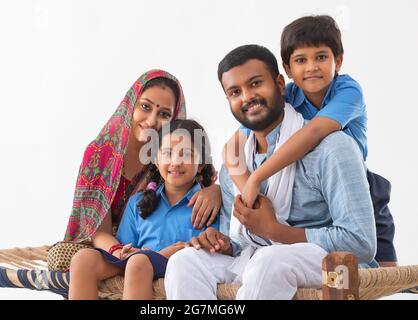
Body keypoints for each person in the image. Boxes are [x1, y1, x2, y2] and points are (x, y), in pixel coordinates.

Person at [164, 45, 376, 300]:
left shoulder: (332, 148)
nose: (247, 97)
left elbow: (360, 242)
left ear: (279, 84)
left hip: (330, 263)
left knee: (270, 260)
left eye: (255, 83)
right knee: (184, 262)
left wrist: (275, 231)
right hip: (256, 258)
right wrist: (219, 242)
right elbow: (240, 242)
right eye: (235, 92)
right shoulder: (235, 164)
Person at [222, 16, 396, 266]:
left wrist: (258, 177)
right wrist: (247, 187)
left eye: (321, 57)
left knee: (383, 274)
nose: (312, 67)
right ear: (288, 69)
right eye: (301, 60)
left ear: (339, 60)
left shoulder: (348, 91)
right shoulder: (287, 95)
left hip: (362, 184)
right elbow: (231, 147)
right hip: (316, 186)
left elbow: (313, 133)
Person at [69, 119, 219, 299]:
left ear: (201, 163)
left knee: (138, 262)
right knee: (83, 259)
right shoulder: (138, 202)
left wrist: (155, 255)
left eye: (186, 154)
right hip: (138, 262)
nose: (175, 162)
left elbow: (212, 251)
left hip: (176, 265)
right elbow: (125, 249)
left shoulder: (208, 203)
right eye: (167, 153)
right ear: (156, 159)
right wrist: (126, 250)